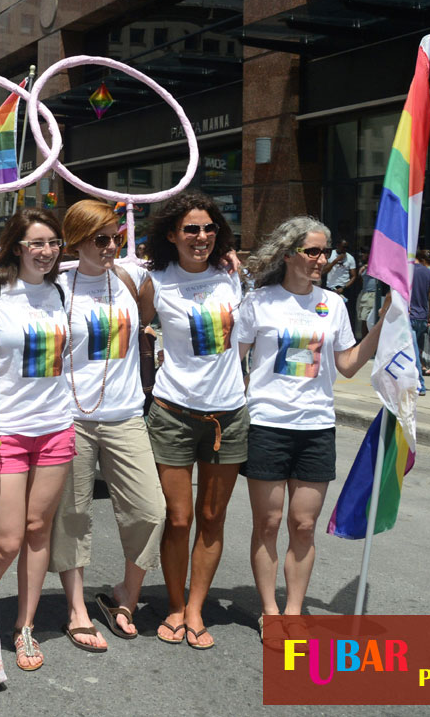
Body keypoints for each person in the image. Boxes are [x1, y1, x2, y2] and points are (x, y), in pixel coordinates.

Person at [237, 217, 384, 635]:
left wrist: (381, 325)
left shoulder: (333, 303)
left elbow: (348, 365)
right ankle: (269, 609)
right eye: (313, 252)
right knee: (267, 523)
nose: (323, 259)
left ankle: (294, 610)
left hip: (317, 426)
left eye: (326, 251)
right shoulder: (258, 302)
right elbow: (236, 364)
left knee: (303, 524)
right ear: (288, 255)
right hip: (266, 423)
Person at [49, 199, 164, 653]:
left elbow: (152, 311)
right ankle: (77, 609)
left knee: (150, 510)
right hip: (70, 417)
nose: (112, 245)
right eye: (100, 238)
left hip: (125, 414)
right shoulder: (56, 284)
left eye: (116, 236)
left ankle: (125, 595)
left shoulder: (133, 278)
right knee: (72, 515)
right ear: (76, 240)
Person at [138, 191, 245, 650]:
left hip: (229, 414)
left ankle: (197, 608)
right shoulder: (154, 281)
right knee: (178, 519)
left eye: (208, 229)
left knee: (212, 517)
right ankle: (176, 605)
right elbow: (135, 335)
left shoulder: (234, 276)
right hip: (173, 412)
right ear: (171, 234)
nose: (200, 237)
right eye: (191, 230)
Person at [0, 208, 75, 672]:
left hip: (56, 427)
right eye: (36, 243)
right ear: (16, 246)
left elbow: (119, 271)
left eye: (53, 243)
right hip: (7, 431)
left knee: (39, 531)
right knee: (7, 539)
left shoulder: (62, 290)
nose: (46, 251)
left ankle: (25, 626)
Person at [407, 258, 430, 395]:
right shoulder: (428, 272)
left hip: (409, 316)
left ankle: (420, 384)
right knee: (415, 351)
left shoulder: (406, 270)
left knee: (413, 354)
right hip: (422, 317)